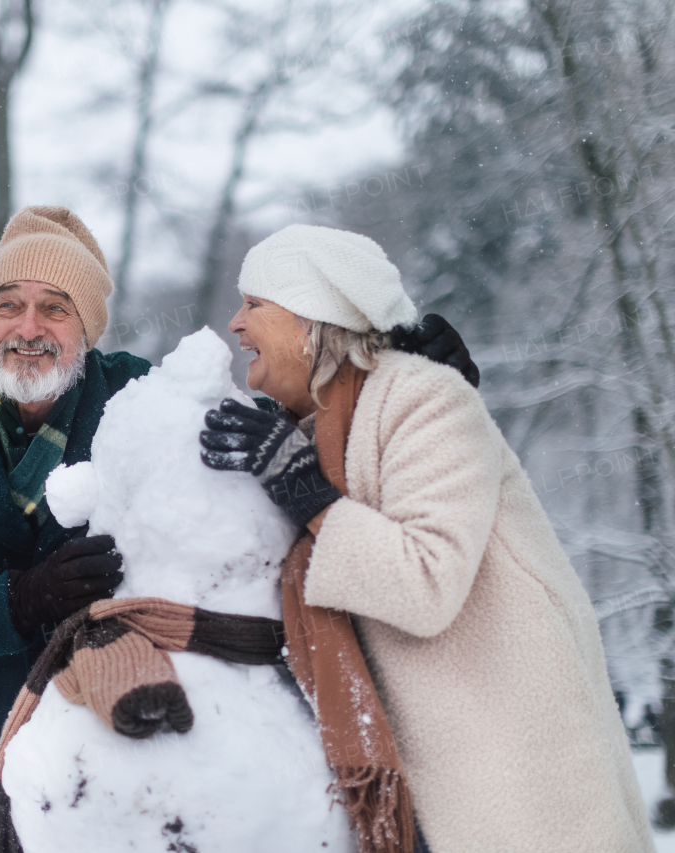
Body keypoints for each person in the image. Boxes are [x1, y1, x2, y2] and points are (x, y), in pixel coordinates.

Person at [0, 208, 477, 853]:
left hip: (104, 748)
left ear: (87, 328)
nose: (27, 328)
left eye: (55, 309)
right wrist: (16, 599)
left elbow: (284, 433)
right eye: (10, 305)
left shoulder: (141, 398)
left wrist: (391, 380)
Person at [199, 223, 652, 853]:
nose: (236, 324)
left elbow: (426, 583)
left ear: (313, 317)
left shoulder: (425, 400)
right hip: (448, 775)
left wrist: (305, 491)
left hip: (518, 766)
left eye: (254, 304)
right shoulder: (317, 429)